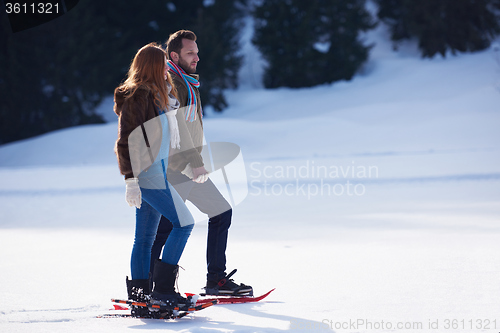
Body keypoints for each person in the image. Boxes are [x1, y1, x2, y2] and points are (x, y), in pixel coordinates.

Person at [150, 30, 252, 296]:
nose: (197, 57)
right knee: (165, 228)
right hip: (175, 167)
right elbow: (180, 128)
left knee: (218, 213)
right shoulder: (175, 83)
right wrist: (196, 162)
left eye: (196, 52)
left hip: (184, 166)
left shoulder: (187, 81)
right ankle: (150, 286)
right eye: (190, 53)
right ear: (174, 55)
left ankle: (215, 280)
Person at [114, 42, 195, 316]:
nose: (166, 70)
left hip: (158, 173)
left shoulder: (160, 97)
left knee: (145, 239)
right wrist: (130, 180)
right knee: (184, 224)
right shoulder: (137, 97)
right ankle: (162, 291)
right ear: (151, 67)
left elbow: (166, 142)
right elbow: (125, 142)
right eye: (162, 65)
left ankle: (141, 299)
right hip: (146, 176)